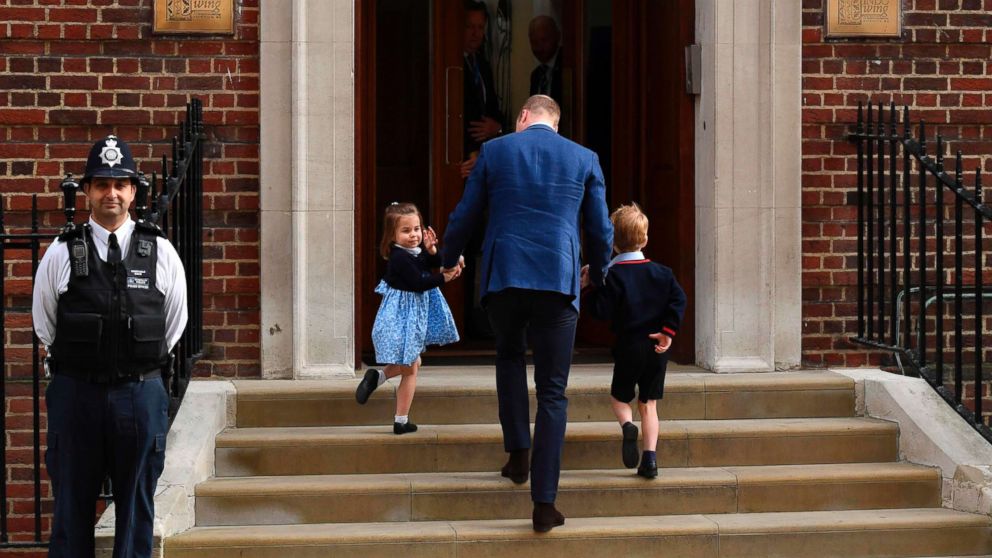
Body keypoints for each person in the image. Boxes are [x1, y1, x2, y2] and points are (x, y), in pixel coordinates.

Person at [442, 95, 613, 532]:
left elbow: (467, 211)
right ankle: (544, 503)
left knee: (509, 358)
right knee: (553, 391)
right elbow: (598, 226)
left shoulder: (495, 150)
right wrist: (599, 270)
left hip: (505, 276)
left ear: (523, 117)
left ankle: (518, 455)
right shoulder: (584, 157)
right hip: (558, 277)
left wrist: (447, 256)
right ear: (555, 122)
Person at [32, 135, 188, 558]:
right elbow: (45, 323)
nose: (111, 193)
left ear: (134, 191)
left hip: (139, 393)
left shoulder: (161, 252)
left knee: (136, 508)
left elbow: (174, 324)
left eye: (120, 184)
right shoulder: (63, 252)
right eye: (101, 184)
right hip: (77, 393)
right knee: (70, 508)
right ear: (87, 192)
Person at [581, 203, 687, 479]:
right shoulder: (663, 273)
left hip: (628, 346)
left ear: (612, 244)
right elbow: (679, 300)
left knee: (620, 397)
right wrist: (668, 331)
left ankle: (628, 425)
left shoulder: (612, 276)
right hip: (656, 347)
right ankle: (650, 459)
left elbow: (600, 311)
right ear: (646, 238)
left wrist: (589, 288)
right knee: (649, 403)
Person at [355, 202, 461, 434]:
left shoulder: (415, 251)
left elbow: (434, 261)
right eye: (406, 231)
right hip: (403, 317)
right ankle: (401, 421)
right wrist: (445, 278)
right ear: (392, 235)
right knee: (411, 368)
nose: (413, 235)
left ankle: (378, 377)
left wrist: (432, 250)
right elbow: (419, 283)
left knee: (414, 362)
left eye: (416, 229)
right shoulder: (400, 258)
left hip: (412, 315)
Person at [528, 15, 563, 104]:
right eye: (534, 42)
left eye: (543, 40)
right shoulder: (536, 75)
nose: (539, 47)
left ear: (557, 37)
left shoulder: (567, 67)